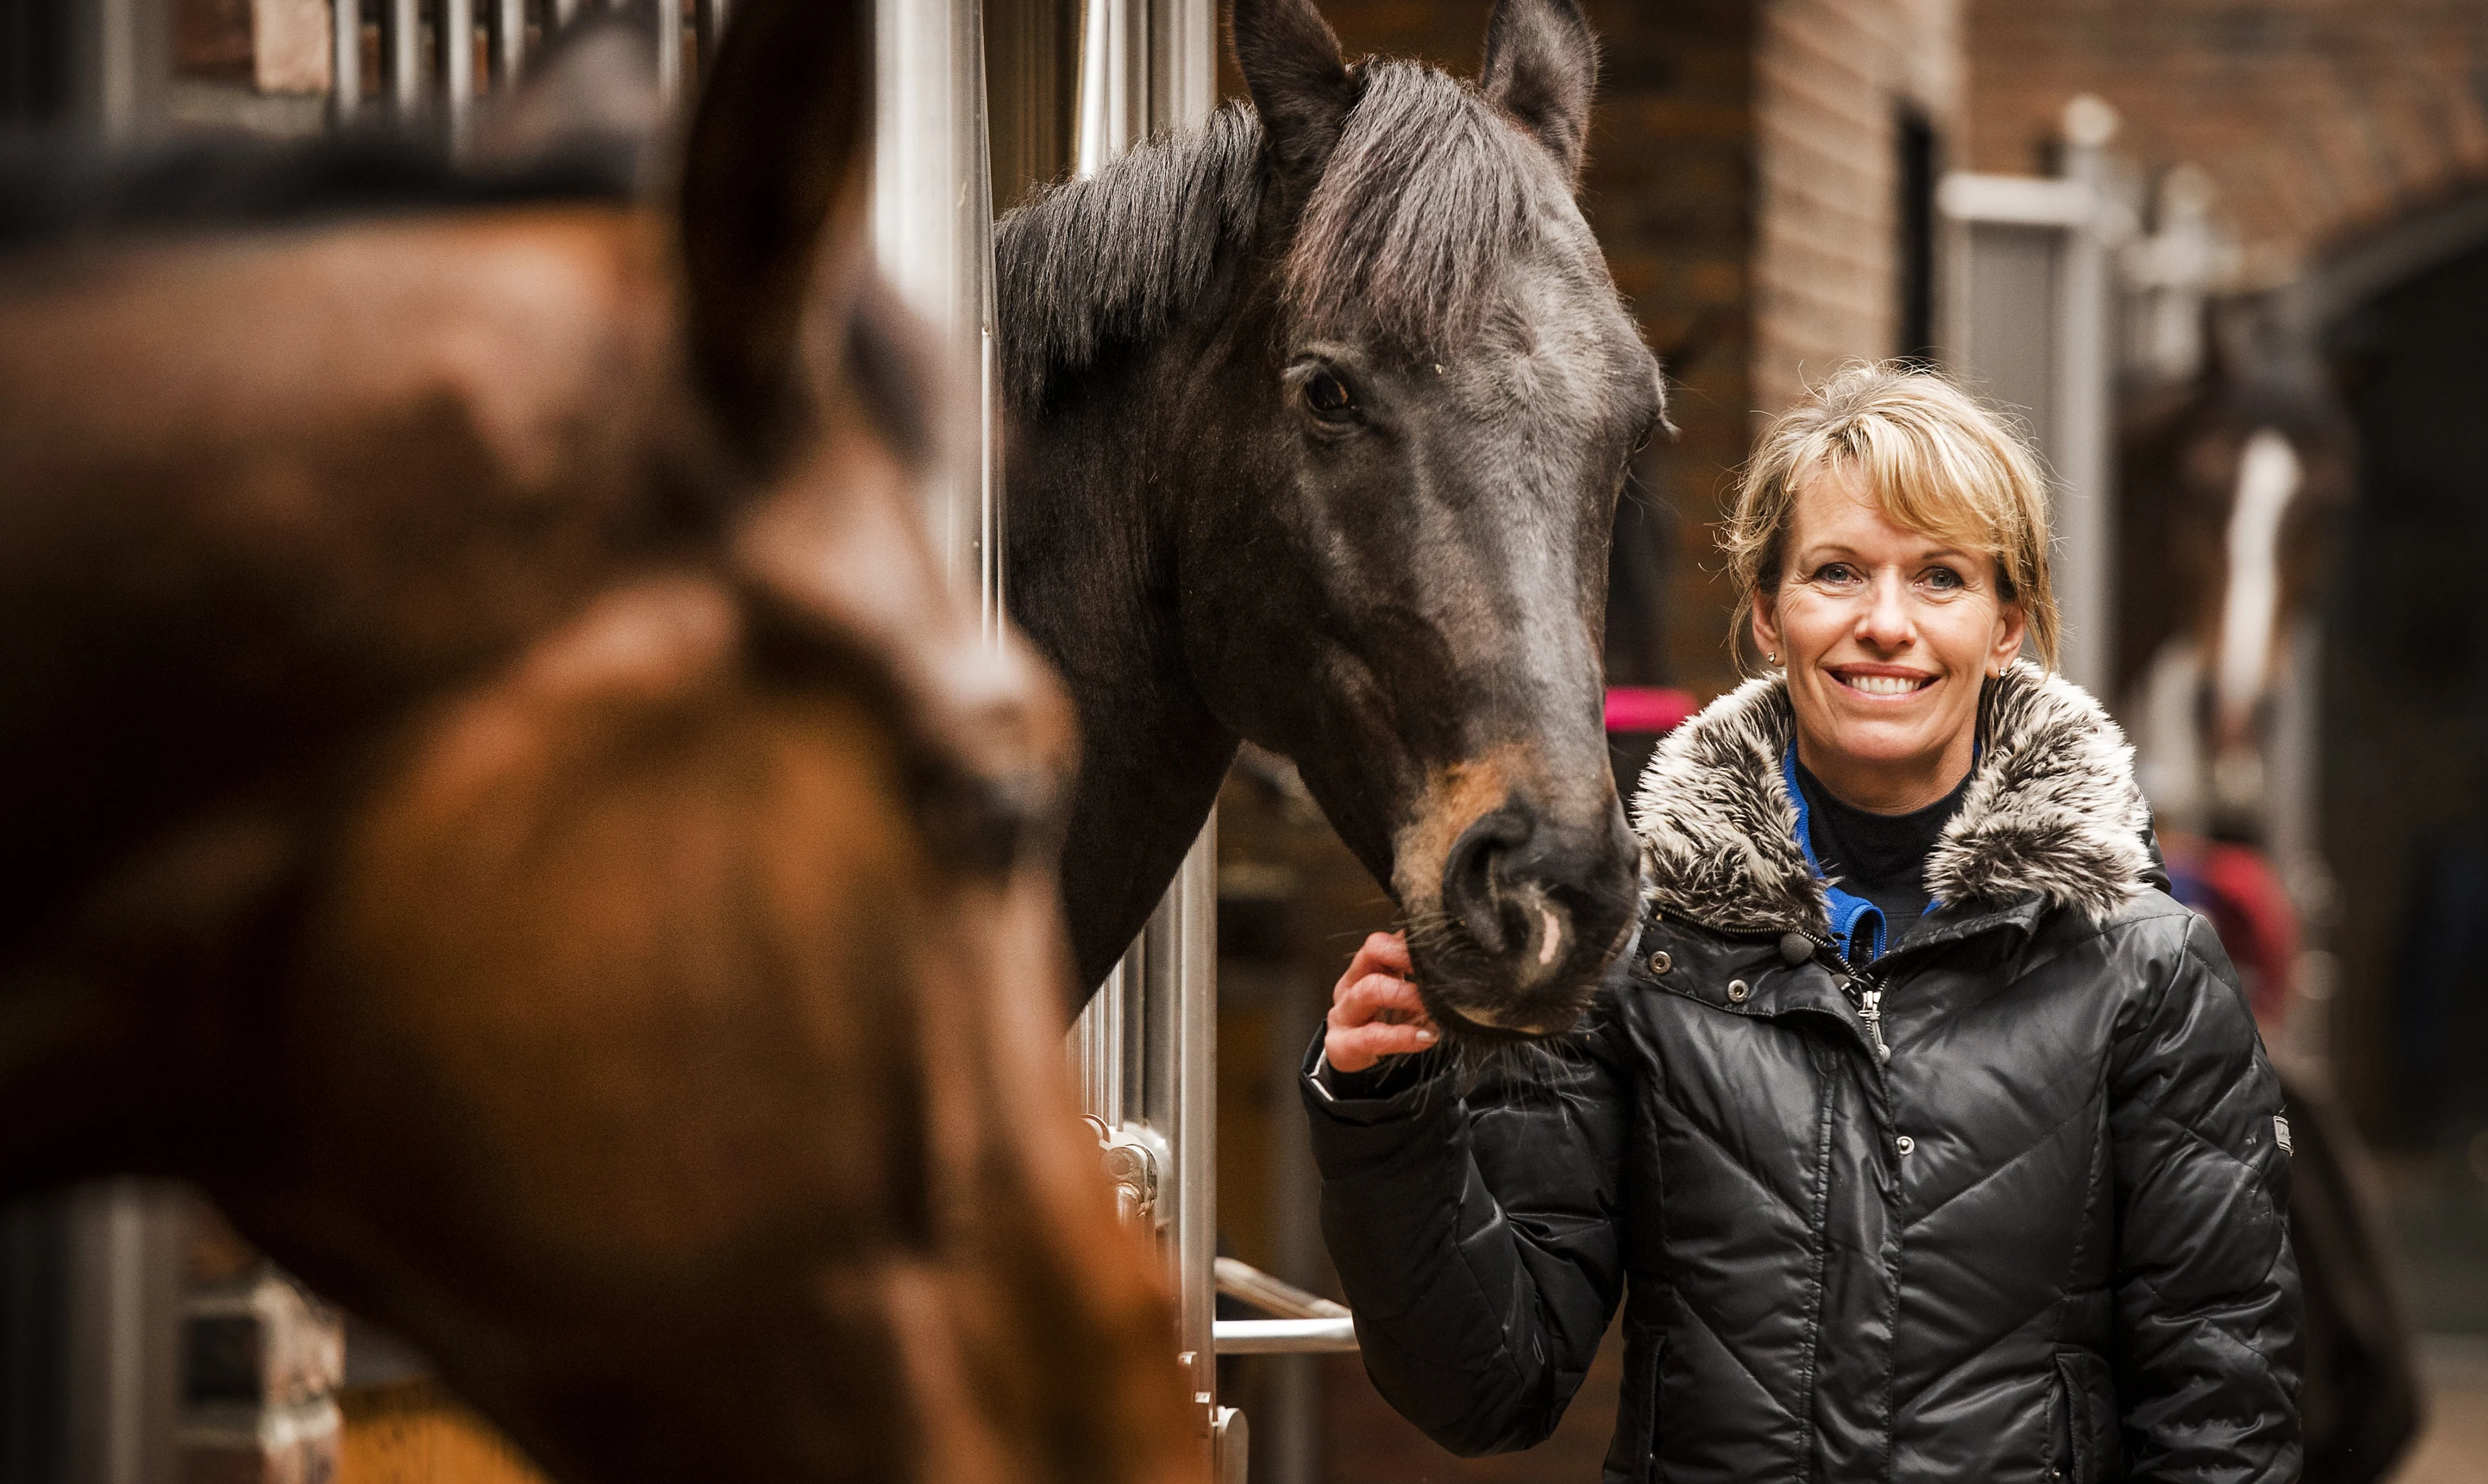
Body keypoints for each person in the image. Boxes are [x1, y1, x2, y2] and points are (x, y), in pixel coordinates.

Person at [1304, 362, 2301, 1482]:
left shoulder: (2147, 968)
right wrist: (1390, 1115)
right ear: (1769, 615)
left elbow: (2221, 1421)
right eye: (1837, 572)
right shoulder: (1630, 947)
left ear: (2007, 624)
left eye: (1941, 577)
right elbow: (1490, 1384)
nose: (1886, 623)